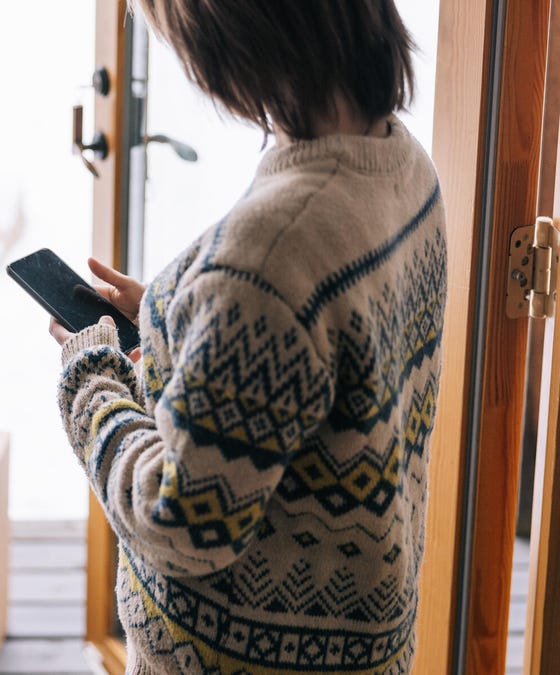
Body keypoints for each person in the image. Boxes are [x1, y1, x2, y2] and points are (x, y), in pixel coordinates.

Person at [49, 2, 443, 673]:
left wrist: (91, 379)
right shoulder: (403, 169)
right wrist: (175, 319)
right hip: (362, 636)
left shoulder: (268, 253)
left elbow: (179, 518)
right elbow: (318, 365)